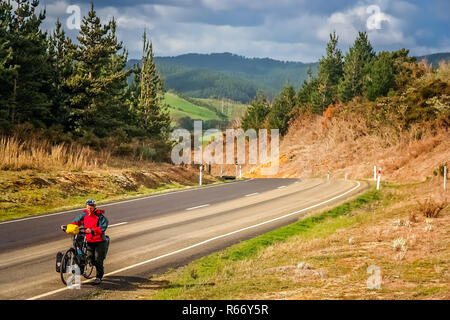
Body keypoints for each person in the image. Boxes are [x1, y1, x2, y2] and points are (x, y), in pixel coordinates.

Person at [63, 199, 109, 285]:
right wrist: (68, 227)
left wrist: (92, 230)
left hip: (99, 241)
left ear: (94, 208)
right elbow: (75, 222)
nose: (89, 209)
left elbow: (103, 227)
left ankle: (99, 277)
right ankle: (84, 268)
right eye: (88, 207)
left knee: (98, 259)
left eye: (91, 208)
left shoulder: (100, 216)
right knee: (90, 258)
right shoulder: (84, 215)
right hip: (89, 240)